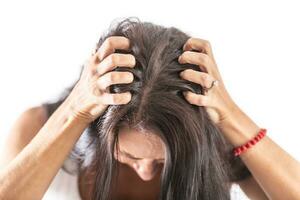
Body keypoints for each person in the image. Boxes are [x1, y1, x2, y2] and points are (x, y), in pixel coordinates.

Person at [0, 18, 299, 200]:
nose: (145, 172)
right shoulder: (34, 128)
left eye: (161, 160)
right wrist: (74, 112)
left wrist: (231, 117)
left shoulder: (217, 150)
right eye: (129, 155)